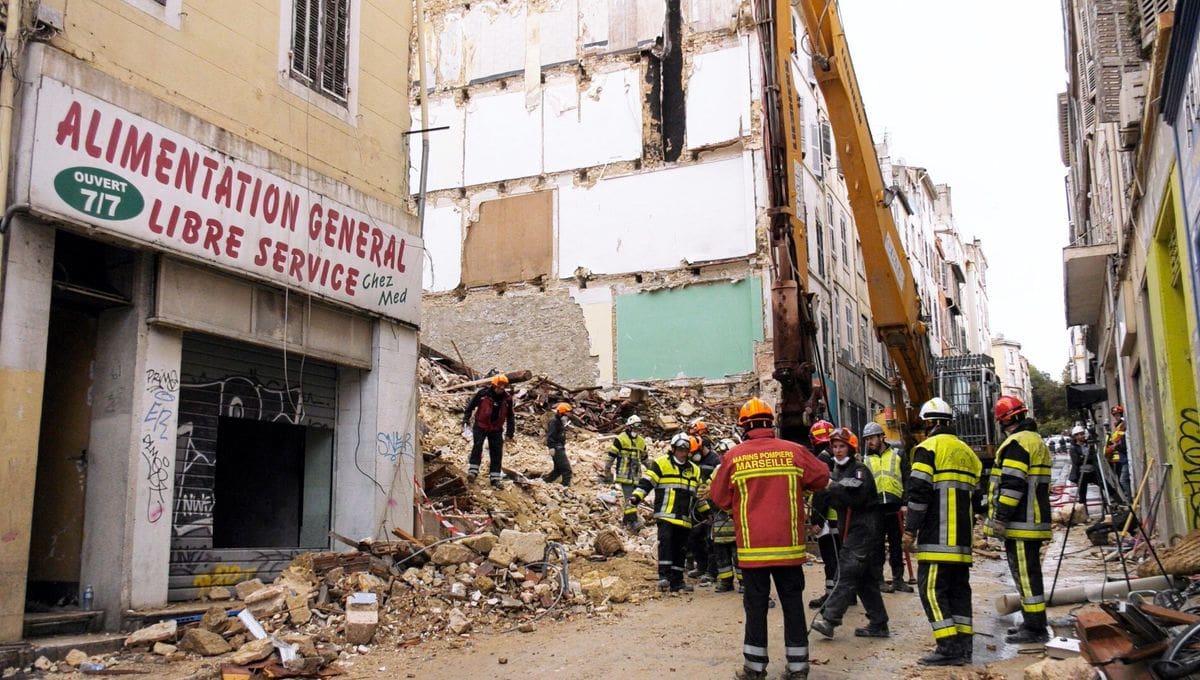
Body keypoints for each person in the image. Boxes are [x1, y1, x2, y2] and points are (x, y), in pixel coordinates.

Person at [711, 398, 830, 680]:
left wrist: (738, 508)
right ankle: (798, 666)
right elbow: (822, 478)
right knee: (792, 606)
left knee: (756, 607)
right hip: (789, 550)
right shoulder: (794, 451)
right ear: (771, 423)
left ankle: (754, 668)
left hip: (753, 552)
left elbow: (718, 497)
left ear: (744, 427)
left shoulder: (734, 457)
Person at [903, 397, 982, 666]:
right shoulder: (967, 452)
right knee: (959, 591)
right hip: (962, 539)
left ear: (931, 423)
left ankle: (947, 647)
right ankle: (964, 646)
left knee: (932, 592)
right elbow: (978, 497)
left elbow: (918, 494)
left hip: (937, 538)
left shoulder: (927, 449)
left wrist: (910, 529)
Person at [984, 395, 1052, 645]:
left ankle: (1035, 628)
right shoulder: (1035, 441)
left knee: (1025, 575)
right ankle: (1032, 621)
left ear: (1005, 421)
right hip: (1033, 519)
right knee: (1028, 574)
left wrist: (1000, 517)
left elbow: (1012, 486)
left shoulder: (1017, 444)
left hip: (1023, 522)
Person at [811, 428, 890, 640]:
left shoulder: (859, 470)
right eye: (835, 446)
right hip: (853, 527)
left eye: (842, 446)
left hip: (864, 529)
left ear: (851, 448)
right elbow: (826, 496)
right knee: (863, 579)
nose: (837, 451)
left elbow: (855, 499)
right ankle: (879, 622)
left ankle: (830, 620)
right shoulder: (836, 471)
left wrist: (832, 487)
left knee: (846, 571)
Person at [631, 433, 703, 593]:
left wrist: (706, 513)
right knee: (666, 544)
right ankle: (664, 577)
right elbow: (647, 482)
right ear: (674, 449)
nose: (682, 453)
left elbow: (699, 495)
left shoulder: (695, 470)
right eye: (679, 450)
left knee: (681, 549)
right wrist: (637, 496)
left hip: (684, 518)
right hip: (666, 514)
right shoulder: (661, 464)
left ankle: (677, 582)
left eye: (685, 450)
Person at [862, 422, 912, 593]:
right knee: (877, 546)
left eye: (872, 438)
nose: (869, 442)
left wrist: (905, 503)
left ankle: (898, 579)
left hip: (895, 505)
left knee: (896, 545)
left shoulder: (898, 454)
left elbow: (907, 479)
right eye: (867, 439)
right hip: (875, 507)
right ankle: (879, 580)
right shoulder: (865, 459)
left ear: (881, 436)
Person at [807, 419, 840, 609]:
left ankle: (832, 595)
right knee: (840, 556)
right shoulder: (840, 457)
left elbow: (821, 490)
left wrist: (817, 519)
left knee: (830, 558)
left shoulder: (821, 459)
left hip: (828, 518)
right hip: (841, 516)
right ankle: (844, 593)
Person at [463, 374, 515, 487]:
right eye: (499, 386)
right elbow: (471, 406)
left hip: (496, 429)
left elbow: (510, 416)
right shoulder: (483, 394)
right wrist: (466, 419)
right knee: (478, 446)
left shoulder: (507, 399)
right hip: (481, 425)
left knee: (496, 451)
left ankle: (495, 478)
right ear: (494, 385)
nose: (501, 388)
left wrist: (510, 432)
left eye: (503, 386)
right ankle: (473, 471)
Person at [687, 434, 724, 581]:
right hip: (696, 505)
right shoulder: (692, 461)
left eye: (694, 453)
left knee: (711, 540)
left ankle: (712, 572)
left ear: (701, 448)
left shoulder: (715, 460)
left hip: (712, 506)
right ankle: (701, 566)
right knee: (694, 538)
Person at [606, 415, 649, 530]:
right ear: (629, 427)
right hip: (624, 475)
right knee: (631, 498)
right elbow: (611, 456)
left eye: (639, 428)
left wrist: (653, 470)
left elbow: (645, 458)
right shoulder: (621, 439)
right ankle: (633, 522)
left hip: (636, 476)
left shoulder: (641, 441)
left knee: (633, 498)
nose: (637, 430)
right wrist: (607, 470)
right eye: (635, 428)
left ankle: (626, 520)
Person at [708, 438, 740, 592]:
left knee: (738, 555)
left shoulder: (739, 467)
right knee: (721, 554)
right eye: (720, 453)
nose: (722, 456)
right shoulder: (718, 470)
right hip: (720, 518)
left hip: (735, 518)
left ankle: (744, 582)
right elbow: (710, 488)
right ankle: (726, 582)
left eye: (724, 453)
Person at [1068, 424, 1100, 517]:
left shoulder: (1088, 444)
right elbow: (1077, 461)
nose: (1081, 436)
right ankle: (1084, 514)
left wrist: (1086, 457)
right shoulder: (1073, 448)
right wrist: (1086, 458)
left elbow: (1094, 456)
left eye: (1082, 434)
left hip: (1092, 472)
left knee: (1106, 486)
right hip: (1081, 473)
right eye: (1078, 435)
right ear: (1075, 436)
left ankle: (1117, 503)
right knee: (1082, 495)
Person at [543, 402, 573, 487]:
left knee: (558, 470)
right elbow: (550, 435)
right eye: (567, 414)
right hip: (557, 448)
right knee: (567, 470)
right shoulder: (554, 422)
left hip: (560, 447)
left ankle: (544, 482)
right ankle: (565, 487)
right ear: (561, 413)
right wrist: (552, 447)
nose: (568, 416)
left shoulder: (559, 421)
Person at [1107, 405, 1131, 500]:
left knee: (1123, 480)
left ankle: (1129, 499)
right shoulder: (1118, 426)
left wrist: (1115, 447)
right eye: (1114, 415)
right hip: (1119, 458)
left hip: (1124, 457)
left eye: (1117, 414)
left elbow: (1123, 442)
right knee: (1122, 479)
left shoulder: (1123, 426)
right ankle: (1128, 497)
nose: (1116, 417)